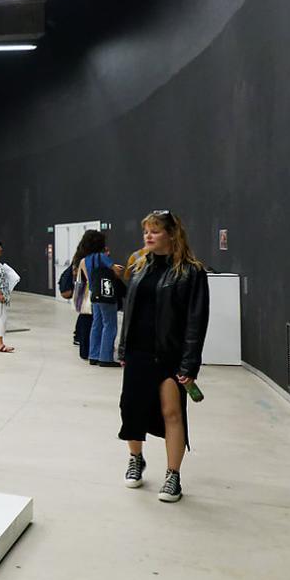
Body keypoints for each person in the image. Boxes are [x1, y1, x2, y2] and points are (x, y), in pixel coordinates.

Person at [117, 211, 208, 503]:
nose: (148, 236)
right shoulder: (140, 266)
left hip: (169, 355)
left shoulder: (191, 272)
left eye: (155, 231)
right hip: (137, 352)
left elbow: (196, 320)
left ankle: (173, 476)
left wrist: (190, 363)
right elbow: (129, 312)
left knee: (172, 413)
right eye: (146, 231)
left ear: (171, 234)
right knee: (131, 410)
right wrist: (123, 349)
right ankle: (136, 459)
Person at [79, 236, 124, 367]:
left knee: (96, 324)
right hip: (106, 294)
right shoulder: (101, 257)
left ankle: (94, 355)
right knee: (110, 325)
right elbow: (116, 272)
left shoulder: (86, 259)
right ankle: (105, 357)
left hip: (94, 295)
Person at [69, 230, 102, 361]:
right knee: (91, 320)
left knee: (84, 318)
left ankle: (84, 348)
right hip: (89, 291)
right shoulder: (92, 259)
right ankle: (89, 349)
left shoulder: (79, 256)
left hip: (82, 290)